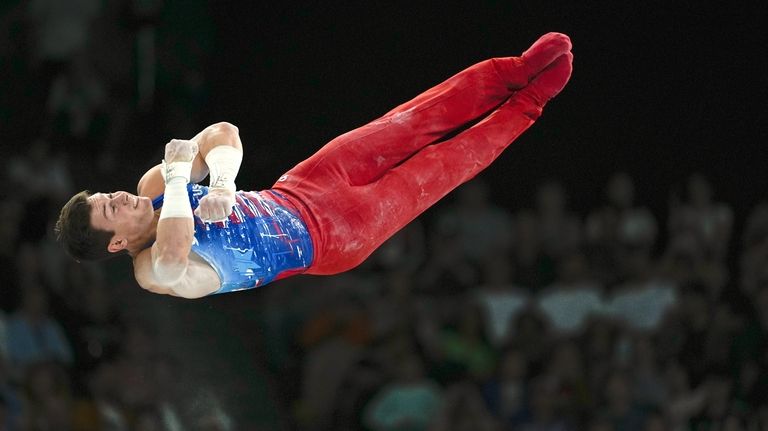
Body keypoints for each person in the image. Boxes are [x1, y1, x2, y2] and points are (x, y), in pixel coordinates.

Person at [55, 32, 574, 298]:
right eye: (110, 210)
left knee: (409, 122)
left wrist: (223, 182)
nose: (119, 196)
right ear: (118, 243)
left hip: (302, 185)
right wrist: (177, 174)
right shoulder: (150, 271)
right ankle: (528, 104)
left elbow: (223, 135)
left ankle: (516, 71)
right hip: (331, 237)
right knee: (440, 167)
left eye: (106, 195)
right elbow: (173, 256)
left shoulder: (151, 185)